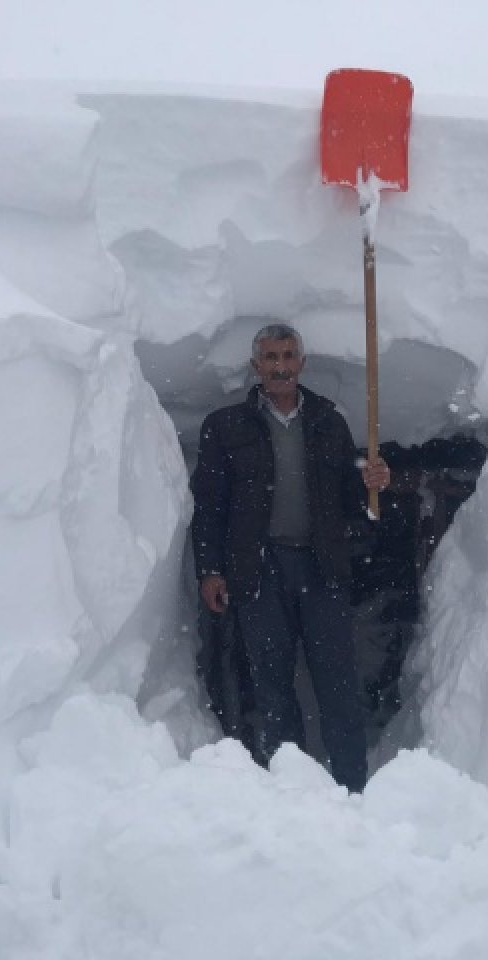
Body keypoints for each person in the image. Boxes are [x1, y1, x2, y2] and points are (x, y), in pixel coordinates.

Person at [190, 323, 389, 791]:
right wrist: (210, 569)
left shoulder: (328, 422)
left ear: (302, 363)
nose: (280, 367)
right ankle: (293, 790)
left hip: (321, 568)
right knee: (272, 685)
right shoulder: (226, 427)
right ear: (256, 366)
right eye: (270, 358)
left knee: (337, 683)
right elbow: (210, 504)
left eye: (287, 356)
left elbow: (352, 503)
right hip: (258, 570)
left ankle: (351, 788)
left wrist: (372, 482)